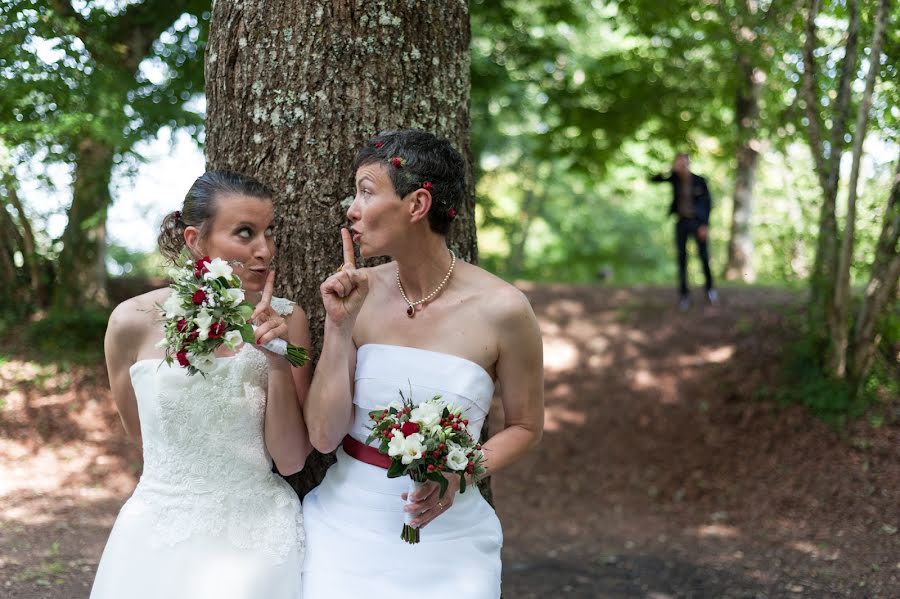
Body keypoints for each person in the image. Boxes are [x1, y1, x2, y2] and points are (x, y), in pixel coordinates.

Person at [301, 130, 544, 598]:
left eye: (366, 192)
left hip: (451, 541)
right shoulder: (357, 293)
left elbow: (526, 426)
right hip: (345, 531)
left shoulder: (504, 309)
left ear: (416, 205)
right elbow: (323, 436)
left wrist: (459, 469)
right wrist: (338, 327)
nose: (351, 209)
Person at [90, 171, 312, 599]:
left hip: (257, 541)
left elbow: (291, 461)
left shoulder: (289, 319)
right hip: (156, 536)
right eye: (245, 233)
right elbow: (143, 438)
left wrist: (278, 361)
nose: (264, 250)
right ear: (195, 240)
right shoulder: (129, 324)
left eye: (269, 232)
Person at [650, 153, 718, 309]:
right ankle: (684, 295)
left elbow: (708, 204)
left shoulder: (699, 181)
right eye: (678, 163)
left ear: (688, 163)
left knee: (704, 256)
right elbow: (653, 179)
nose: (681, 166)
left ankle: (710, 289)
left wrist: (704, 225)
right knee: (682, 259)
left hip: (697, 222)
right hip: (681, 222)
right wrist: (669, 170)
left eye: (683, 163)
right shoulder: (674, 178)